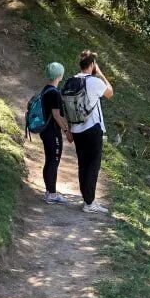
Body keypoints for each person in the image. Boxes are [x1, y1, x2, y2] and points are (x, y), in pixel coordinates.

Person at [63, 50, 114, 214]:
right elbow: (110, 93)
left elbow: (68, 107)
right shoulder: (94, 82)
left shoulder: (71, 81)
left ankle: (87, 199)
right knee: (93, 165)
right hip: (92, 129)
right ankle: (90, 203)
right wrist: (100, 74)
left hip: (76, 130)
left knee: (83, 164)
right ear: (92, 65)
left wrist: (69, 129)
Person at [38, 62, 74, 204]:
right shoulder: (54, 93)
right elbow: (56, 115)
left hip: (45, 131)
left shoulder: (46, 90)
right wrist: (67, 131)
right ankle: (52, 194)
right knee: (53, 161)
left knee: (49, 160)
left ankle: (49, 191)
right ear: (60, 75)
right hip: (52, 132)